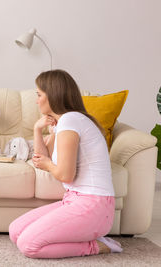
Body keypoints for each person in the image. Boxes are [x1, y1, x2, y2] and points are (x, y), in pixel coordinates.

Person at [9, 69, 123, 259]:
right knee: (15, 231)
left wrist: (47, 164)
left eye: (38, 95)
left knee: (29, 245)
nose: (36, 100)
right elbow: (40, 159)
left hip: (94, 205)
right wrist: (38, 130)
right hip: (74, 200)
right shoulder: (63, 122)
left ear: (52, 95)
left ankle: (97, 246)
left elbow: (65, 174)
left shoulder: (71, 120)